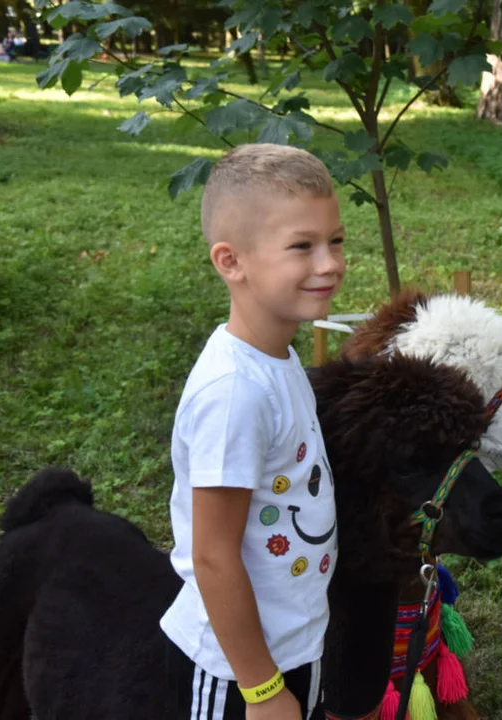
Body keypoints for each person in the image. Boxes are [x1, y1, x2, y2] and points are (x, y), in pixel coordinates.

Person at [160, 143, 346, 720]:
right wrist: (262, 690)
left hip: (296, 639)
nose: (331, 263)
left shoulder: (278, 356)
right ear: (230, 261)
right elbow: (212, 555)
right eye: (302, 247)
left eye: (336, 241)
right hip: (242, 668)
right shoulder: (235, 392)